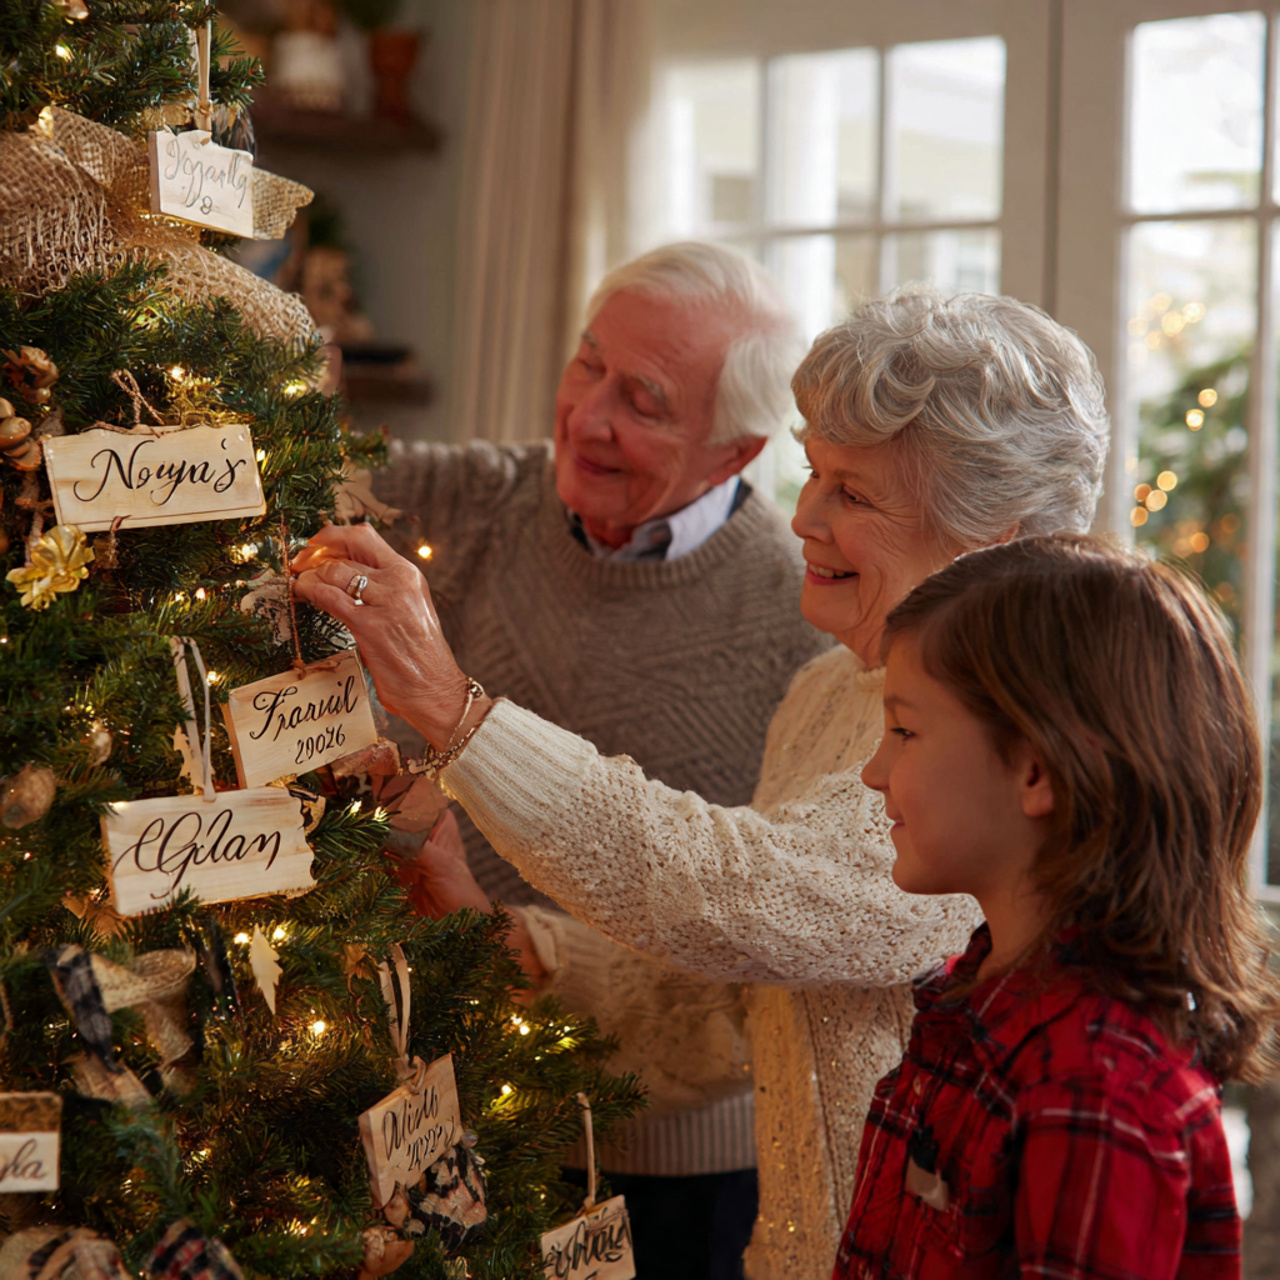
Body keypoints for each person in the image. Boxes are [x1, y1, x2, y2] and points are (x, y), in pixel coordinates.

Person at [292, 287, 1111, 1278]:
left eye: (854, 496)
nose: (802, 516)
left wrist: (456, 712)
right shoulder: (825, 692)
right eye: (814, 474)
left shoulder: (1017, 735)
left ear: (994, 529)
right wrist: (502, 937)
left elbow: (748, 890)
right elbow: (726, 1005)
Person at [367, 242, 833, 1280]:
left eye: (643, 400)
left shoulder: (801, 624)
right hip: (441, 1108)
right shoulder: (483, 500)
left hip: (668, 1162)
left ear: (733, 450)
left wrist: (522, 957)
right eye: (587, 363)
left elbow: (755, 938)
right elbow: (307, 470)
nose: (586, 416)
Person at [840, 535, 1280, 1278]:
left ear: (1037, 771)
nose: (873, 772)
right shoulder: (977, 1007)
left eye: (905, 731)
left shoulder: (1095, 1089)